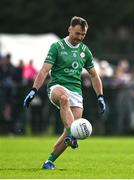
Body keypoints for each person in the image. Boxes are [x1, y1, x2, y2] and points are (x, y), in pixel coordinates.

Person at [23, 16, 106, 170]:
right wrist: (34, 90)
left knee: (70, 131)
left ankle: (49, 161)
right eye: (77, 33)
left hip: (76, 91)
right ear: (69, 29)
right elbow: (44, 71)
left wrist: (100, 96)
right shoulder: (57, 47)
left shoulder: (85, 51)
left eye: (83, 35)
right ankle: (72, 136)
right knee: (64, 99)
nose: (80, 37)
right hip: (57, 86)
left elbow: (94, 75)